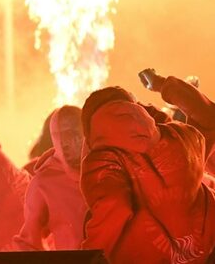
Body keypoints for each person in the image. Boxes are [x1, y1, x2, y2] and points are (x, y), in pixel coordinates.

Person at [80, 75, 215, 264]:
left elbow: (113, 207)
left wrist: (87, 257)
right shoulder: (181, 137)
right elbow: (208, 118)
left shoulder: (102, 160)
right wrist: (163, 86)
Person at [14, 105, 86, 251]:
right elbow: (28, 242)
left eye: (71, 132)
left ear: (85, 131)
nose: (64, 142)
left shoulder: (107, 168)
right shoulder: (43, 183)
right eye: (57, 135)